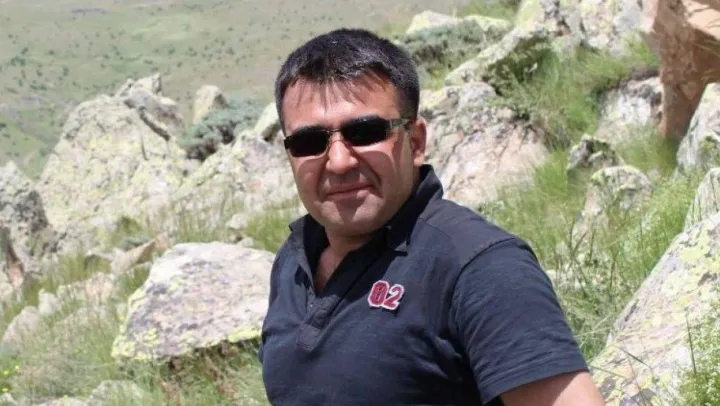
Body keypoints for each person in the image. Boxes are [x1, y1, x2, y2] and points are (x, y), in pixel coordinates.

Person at [258, 27, 606, 406]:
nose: (339, 162)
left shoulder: (480, 269)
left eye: (366, 132)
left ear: (416, 141)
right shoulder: (294, 260)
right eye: (309, 142)